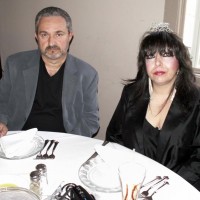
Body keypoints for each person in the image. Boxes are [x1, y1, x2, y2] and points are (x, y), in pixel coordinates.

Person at [106, 23, 200, 190]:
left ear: (180, 62)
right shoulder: (130, 93)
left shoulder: (196, 101)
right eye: (150, 56)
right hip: (133, 184)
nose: (157, 62)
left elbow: (198, 157)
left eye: (166, 55)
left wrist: (165, 186)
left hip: (179, 188)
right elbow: (114, 137)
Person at [0, 6, 99, 137]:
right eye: (44, 34)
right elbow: (2, 101)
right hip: (20, 138)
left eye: (59, 34)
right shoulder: (15, 64)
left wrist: (70, 142)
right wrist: (1, 122)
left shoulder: (87, 74)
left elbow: (90, 120)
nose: (51, 42)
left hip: (64, 142)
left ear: (70, 36)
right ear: (36, 37)